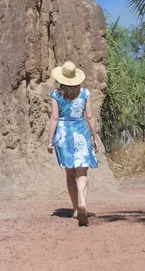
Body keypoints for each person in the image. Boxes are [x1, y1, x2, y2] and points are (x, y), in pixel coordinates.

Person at [47, 61, 100, 226]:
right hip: (80, 133)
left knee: (70, 174)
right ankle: (83, 202)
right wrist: (95, 136)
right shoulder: (85, 93)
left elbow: (54, 118)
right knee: (82, 173)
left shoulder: (56, 94)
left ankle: (76, 209)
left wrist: (50, 140)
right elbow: (90, 116)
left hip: (63, 134)